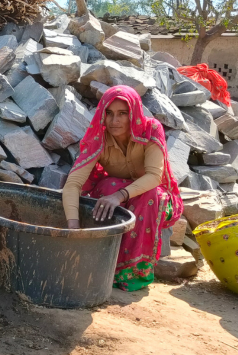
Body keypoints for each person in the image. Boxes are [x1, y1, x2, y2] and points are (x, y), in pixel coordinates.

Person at [62, 85, 184, 292]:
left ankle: (134, 272)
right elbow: (73, 184)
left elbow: (154, 176)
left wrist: (120, 196)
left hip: (155, 197)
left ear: (133, 114)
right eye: (109, 114)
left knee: (148, 195)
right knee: (107, 185)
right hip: (118, 193)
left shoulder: (151, 130)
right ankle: (104, 264)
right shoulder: (98, 137)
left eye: (122, 114)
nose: (114, 121)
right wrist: (73, 226)